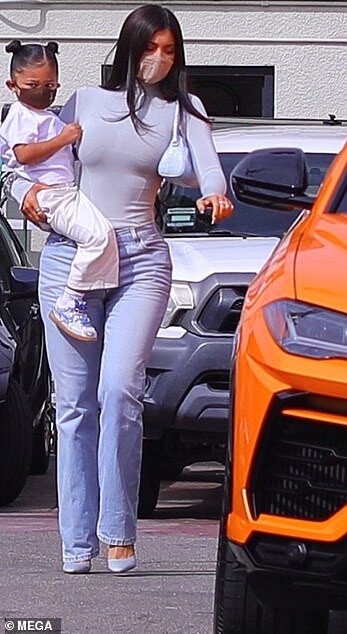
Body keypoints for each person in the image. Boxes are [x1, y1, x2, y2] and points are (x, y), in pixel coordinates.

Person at [10, 3, 233, 574]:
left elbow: (209, 168)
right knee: (74, 405)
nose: (159, 59)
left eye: (170, 50)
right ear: (129, 48)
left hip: (140, 259)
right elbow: (30, 159)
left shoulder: (185, 111)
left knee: (119, 391)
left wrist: (215, 194)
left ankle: (118, 531)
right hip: (71, 257)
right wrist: (24, 195)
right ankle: (76, 541)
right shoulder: (84, 101)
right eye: (150, 47)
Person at [0, 40, 119, 342]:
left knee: (103, 234)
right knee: (97, 237)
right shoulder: (20, 115)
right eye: (33, 85)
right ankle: (70, 299)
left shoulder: (50, 117)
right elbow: (24, 155)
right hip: (50, 195)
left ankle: (87, 291)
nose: (43, 91)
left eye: (50, 85)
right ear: (13, 86)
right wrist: (63, 139)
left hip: (65, 191)